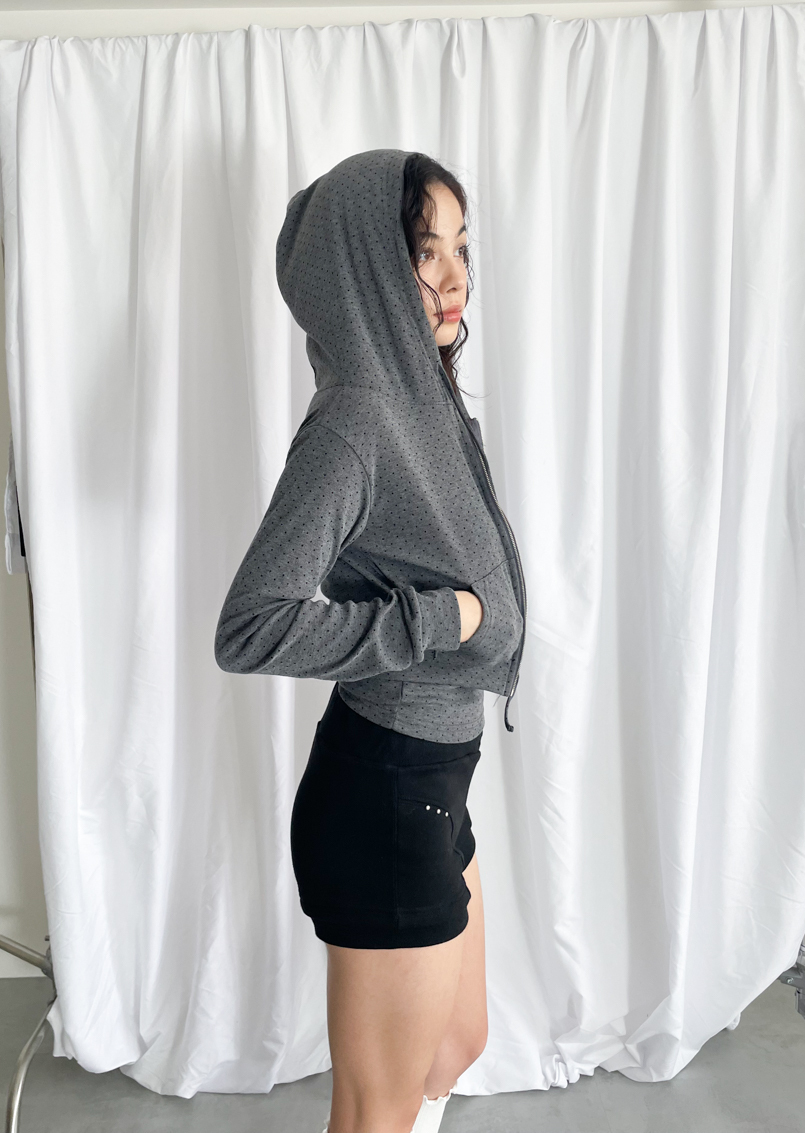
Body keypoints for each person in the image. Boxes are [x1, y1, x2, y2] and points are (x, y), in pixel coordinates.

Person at [214, 149, 526, 1133]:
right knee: (375, 1110)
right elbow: (252, 624)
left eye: (460, 246)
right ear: (364, 268)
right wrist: (434, 620)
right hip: (386, 788)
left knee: (454, 1043)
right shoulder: (357, 420)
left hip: (435, 778)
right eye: (423, 251)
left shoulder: (421, 392)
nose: (453, 274)